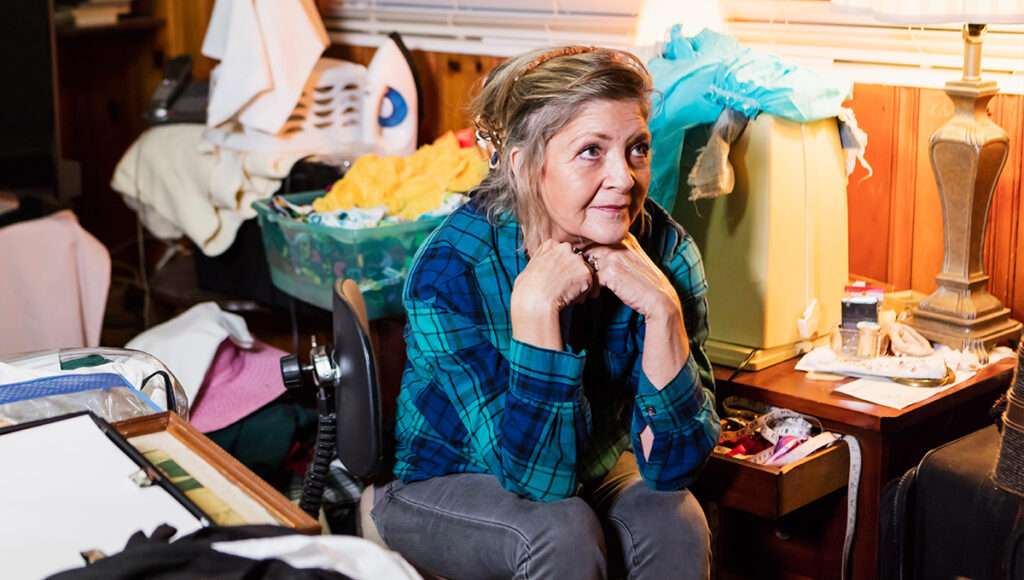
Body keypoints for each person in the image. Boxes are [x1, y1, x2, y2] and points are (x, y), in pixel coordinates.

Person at [371, 45, 721, 580]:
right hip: (443, 480)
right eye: (590, 151)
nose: (625, 179)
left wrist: (663, 311)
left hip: (592, 463)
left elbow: (676, 465)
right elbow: (538, 481)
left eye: (636, 149)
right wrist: (536, 318)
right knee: (560, 532)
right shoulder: (454, 270)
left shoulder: (666, 253)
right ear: (526, 165)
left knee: (676, 519)